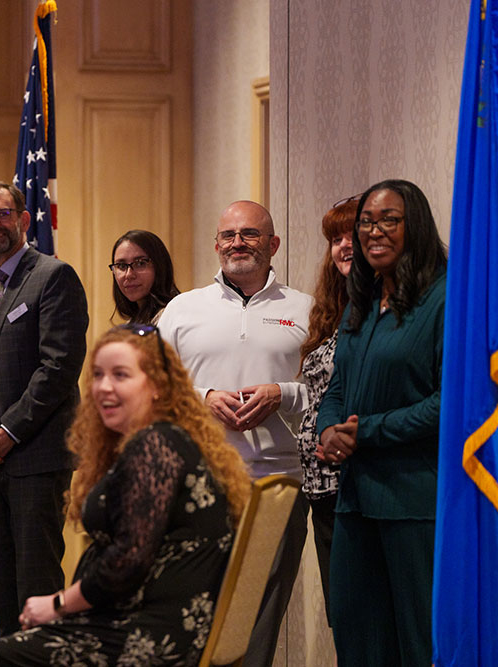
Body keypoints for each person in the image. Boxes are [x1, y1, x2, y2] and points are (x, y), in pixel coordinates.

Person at [0, 324, 251, 666]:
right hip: (148, 624)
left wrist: (57, 604)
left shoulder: (155, 445)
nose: (103, 387)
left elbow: (126, 562)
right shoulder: (167, 440)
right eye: (98, 375)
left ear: (157, 385)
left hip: (150, 636)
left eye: (120, 375)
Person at [157, 199, 313, 667]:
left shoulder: (307, 309)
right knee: (193, 614)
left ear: (273, 244)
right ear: (216, 244)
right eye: (228, 235)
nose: (238, 243)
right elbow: (152, 389)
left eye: (250, 234)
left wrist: (283, 393)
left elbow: (332, 393)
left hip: (279, 485)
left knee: (260, 617)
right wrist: (203, 397)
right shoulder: (182, 310)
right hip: (198, 484)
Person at [315, 179, 447, 665]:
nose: (374, 231)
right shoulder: (362, 301)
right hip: (354, 501)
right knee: (357, 640)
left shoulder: (446, 298)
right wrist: (328, 428)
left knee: (418, 644)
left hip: (413, 502)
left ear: (417, 226)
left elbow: (450, 403)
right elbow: (338, 385)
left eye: (389, 220)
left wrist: (365, 432)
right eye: (366, 222)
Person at [0, 181, 89, 637]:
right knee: (2, 590)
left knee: (36, 589)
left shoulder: (53, 276)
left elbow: (59, 368)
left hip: (36, 459)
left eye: (2, 214)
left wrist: (8, 432)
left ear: (24, 219)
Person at [295, 195, 357, 627]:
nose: (344, 245)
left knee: (363, 619)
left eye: (352, 234)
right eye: (336, 238)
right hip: (321, 487)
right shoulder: (334, 312)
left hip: (358, 482)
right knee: (343, 618)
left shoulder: (384, 312)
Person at [109, 229, 180, 324]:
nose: (129, 274)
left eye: (140, 263)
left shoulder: (175, 317)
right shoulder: (132, 324)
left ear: (160, 266)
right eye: (121, 266)